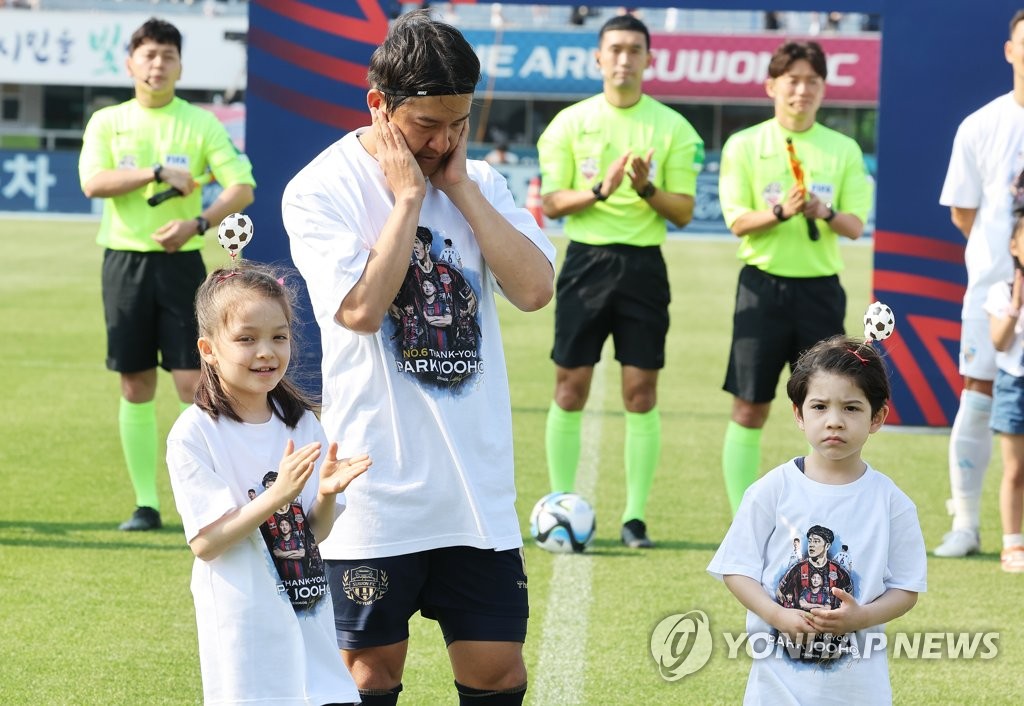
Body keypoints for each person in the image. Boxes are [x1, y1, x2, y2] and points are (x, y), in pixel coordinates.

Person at [281, 10, 555, 706]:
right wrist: (408, 198)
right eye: (428, 124)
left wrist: (458, 187)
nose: (445, 141)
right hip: (371, 491)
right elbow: (362, 311)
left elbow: (534, 289)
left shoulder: (480, 182)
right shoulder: (321, 188)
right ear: (379, 103)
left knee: (497, 672)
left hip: (476, 492)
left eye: (459, 122)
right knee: (370, 675)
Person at [78, 18, 256, 532]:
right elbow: (93, 181)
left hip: (181, 266)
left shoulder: (199, 123)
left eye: (168, 56)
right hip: (123, 262)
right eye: (149, 55)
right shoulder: (107, 122)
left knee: (193, 382)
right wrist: (155, 173)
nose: (158, 65)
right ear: (131, 62)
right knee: (135, 384)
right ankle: (145, 504)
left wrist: (199, 222)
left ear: (180, 65)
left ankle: (219, 494)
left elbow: (241, 185)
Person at [165, 264, 372, 705]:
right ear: (208, 349)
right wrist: (276, 497)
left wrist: (328, 497)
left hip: (309, 618)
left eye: (279, 337)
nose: (266, 352)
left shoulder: (299, 422)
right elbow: (206, 543)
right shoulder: (195, 433)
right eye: (246, 339)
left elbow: (309, 535)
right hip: (247, 630)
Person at [537, 14, 704, 548]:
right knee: (570, 387)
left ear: (649, 59)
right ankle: (560, 503)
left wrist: (647, 189)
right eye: (616, 49)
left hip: (643, 268)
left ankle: (635, 518)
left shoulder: (674, 128)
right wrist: (601, 191)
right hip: (586, 262)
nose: (625, 59)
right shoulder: (567, 123)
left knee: (640, 392)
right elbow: (552, 202)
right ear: (599, 58)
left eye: (635, 49)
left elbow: (681, 211)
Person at [708, 335, 927, 702]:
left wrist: (862, 617)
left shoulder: (892, 503)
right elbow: (736, 568)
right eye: (820, 406)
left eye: (852, 408)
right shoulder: (772, 490)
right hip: (776, 689)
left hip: (857, 692)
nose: (834, 422)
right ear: (798, 413)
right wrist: (777, 616)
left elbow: (906, 589)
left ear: (878, 417)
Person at [718, 40, 872, 514]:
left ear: (823, 89)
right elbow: (737, 220)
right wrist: (781, 211)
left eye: (811, 81)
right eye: (792, 80)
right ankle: (745, 516)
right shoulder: (745, 145)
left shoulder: (843, 148)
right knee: (749, 407)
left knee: (827, 408)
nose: (801, 90)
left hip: (820, 292)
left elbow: (854, 226)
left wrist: (822, 210)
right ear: (772, 86)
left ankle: (823, 510)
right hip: (761, 290)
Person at [935, 10, 1024, 558]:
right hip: (995, 291)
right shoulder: (982, 125)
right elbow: (965, 214)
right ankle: (966, 524)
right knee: (979, 392)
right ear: (1010, 49)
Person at [984, 214, 1024, 572]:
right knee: (1015, 469)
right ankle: (1013, 544)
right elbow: (1000, 341)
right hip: (1015, 386)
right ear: (1013, 245)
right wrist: (1017, 301)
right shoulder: (1000, 290)